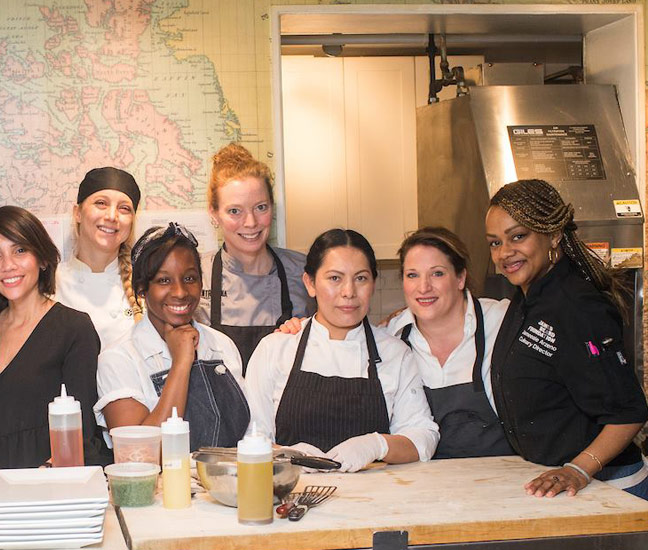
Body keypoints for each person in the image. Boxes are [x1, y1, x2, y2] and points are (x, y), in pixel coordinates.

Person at [486, 179, 648, 499]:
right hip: (559, 485)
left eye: (518, 236)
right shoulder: (528, 298)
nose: (505, 252)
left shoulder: (578, 307)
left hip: (609, 489)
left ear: (554, 235)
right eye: (494, 242)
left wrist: (578, 469)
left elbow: (628, 413)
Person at [246, 229, 439, 472]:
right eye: (335, 278)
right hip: (292, 499)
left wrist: (377, 445)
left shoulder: (395, 354)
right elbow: (252, 437)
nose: (349, 292)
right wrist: (288, 455)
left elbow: (423, 437)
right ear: (310, 283)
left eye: (361, 278)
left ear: (373, 284)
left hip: (375, 502)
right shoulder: (275, 348)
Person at [0, 206, 107, 470]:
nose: (8, 266)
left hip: (48, 484)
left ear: (42, 259)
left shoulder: (74, 328)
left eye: (20, 250)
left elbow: (83, 432)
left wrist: (41, 481)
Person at [96, 223, 251, 451]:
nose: (180, 292)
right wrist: (181, 363)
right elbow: (138, 454)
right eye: (164, 281)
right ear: (141, 288)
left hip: (228, 482)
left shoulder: (222, 345)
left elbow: (248, 436)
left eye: (189, 279)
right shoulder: (119, 359)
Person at [386, 227, 514, 459]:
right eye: (412, 275)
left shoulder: (503, 320)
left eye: (437, 274)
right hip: (423, 482)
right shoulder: (391, 336)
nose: (423, 287)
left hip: (504, 477)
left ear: (460, 278)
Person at [196, 144, 314, 371]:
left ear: (272, 207)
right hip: (220, 406)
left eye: (260, 207)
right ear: (214, 213)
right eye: (234, 211)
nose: (250, 223)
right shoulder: (196, 276)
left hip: (285, 405)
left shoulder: (304, 271)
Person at [56, 167, 142, 348]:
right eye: (101, 203)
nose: (112, 216)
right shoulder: (49, 283)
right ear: (77, 213)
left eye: (124, 208)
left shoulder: (146, 285)